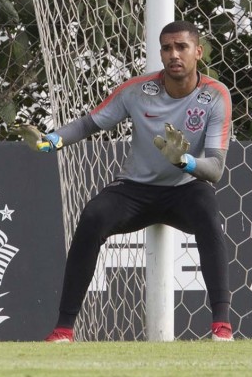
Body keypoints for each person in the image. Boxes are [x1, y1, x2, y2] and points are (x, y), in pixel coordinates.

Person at [17, 20, 234, 342]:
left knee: (208, 214)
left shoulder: (215, 95)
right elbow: (89, 124)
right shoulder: (137, 90)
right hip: (136, 189)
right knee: (93, 217)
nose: (174, 54)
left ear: (198, 52)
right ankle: (63, 329)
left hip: (185, 188)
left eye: (182, 47)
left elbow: (215, 170)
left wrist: (183, 161)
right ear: (160, 53)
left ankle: (221, 325)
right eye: (167, 47)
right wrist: (51, 141)